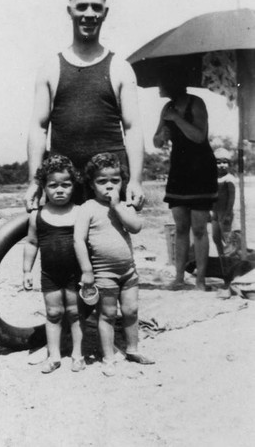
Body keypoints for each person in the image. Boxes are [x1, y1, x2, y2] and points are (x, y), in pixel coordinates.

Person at [24, 0, 144, 212]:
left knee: (109, 248)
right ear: (70, 11)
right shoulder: (50, 67)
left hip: (109, 184)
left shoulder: (120, 67)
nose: (89, 14)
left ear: (105, 13)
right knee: (60, 246)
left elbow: (133, 128)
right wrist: (34, 182)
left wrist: (137, 181)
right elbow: (38, 128)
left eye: (96, 7)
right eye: (82, 7)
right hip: (64, 183)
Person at [74, 153, 154, 377]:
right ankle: (108, 357)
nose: (109, 186)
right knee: (107, 314)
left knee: (131, 310)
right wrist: (87, 271)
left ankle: (133, 349)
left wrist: (118, 206)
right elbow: (78, 240)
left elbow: (136, 227)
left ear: (122, 181)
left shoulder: (124, 205)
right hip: (103, 273)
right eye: (102, 181)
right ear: (91, 183)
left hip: (128, 271)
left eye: (115, 180)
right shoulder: (88, 208)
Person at [153, 76, 218, 291]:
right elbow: (156, 141)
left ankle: (200, 280)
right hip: (179, 170)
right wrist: (161, 135)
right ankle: (179, 277)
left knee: (199, 228)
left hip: (201, 169)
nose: (159, 87)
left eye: (162, 83)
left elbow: (200, 136)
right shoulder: (167, 107)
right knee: (181, 227)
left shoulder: (196, 103)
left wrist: (178, 119)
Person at [23, 154, 85, 374]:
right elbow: (31, 243)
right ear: (43, 187)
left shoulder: (80, 213)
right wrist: (26, 271)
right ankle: (54, 356)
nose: (60, 190)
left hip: (75, 274)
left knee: (75, 313)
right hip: (49, 274)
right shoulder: (36, 216)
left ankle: (78, 354)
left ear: (74, 186)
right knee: (53, 313)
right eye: (53, 185)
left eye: (66, 185)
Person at [211, 147, 236, 290]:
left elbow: (231, 199)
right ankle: (223, 271)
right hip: (215, 214)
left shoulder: (229, 179)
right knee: (216, 239)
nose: (221, 165)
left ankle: (231, 275)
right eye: (218, 162)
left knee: (229, 245)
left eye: (225, 162)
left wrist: (227, 214)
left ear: (229, 164)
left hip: (225, 215)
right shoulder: (215, 178)